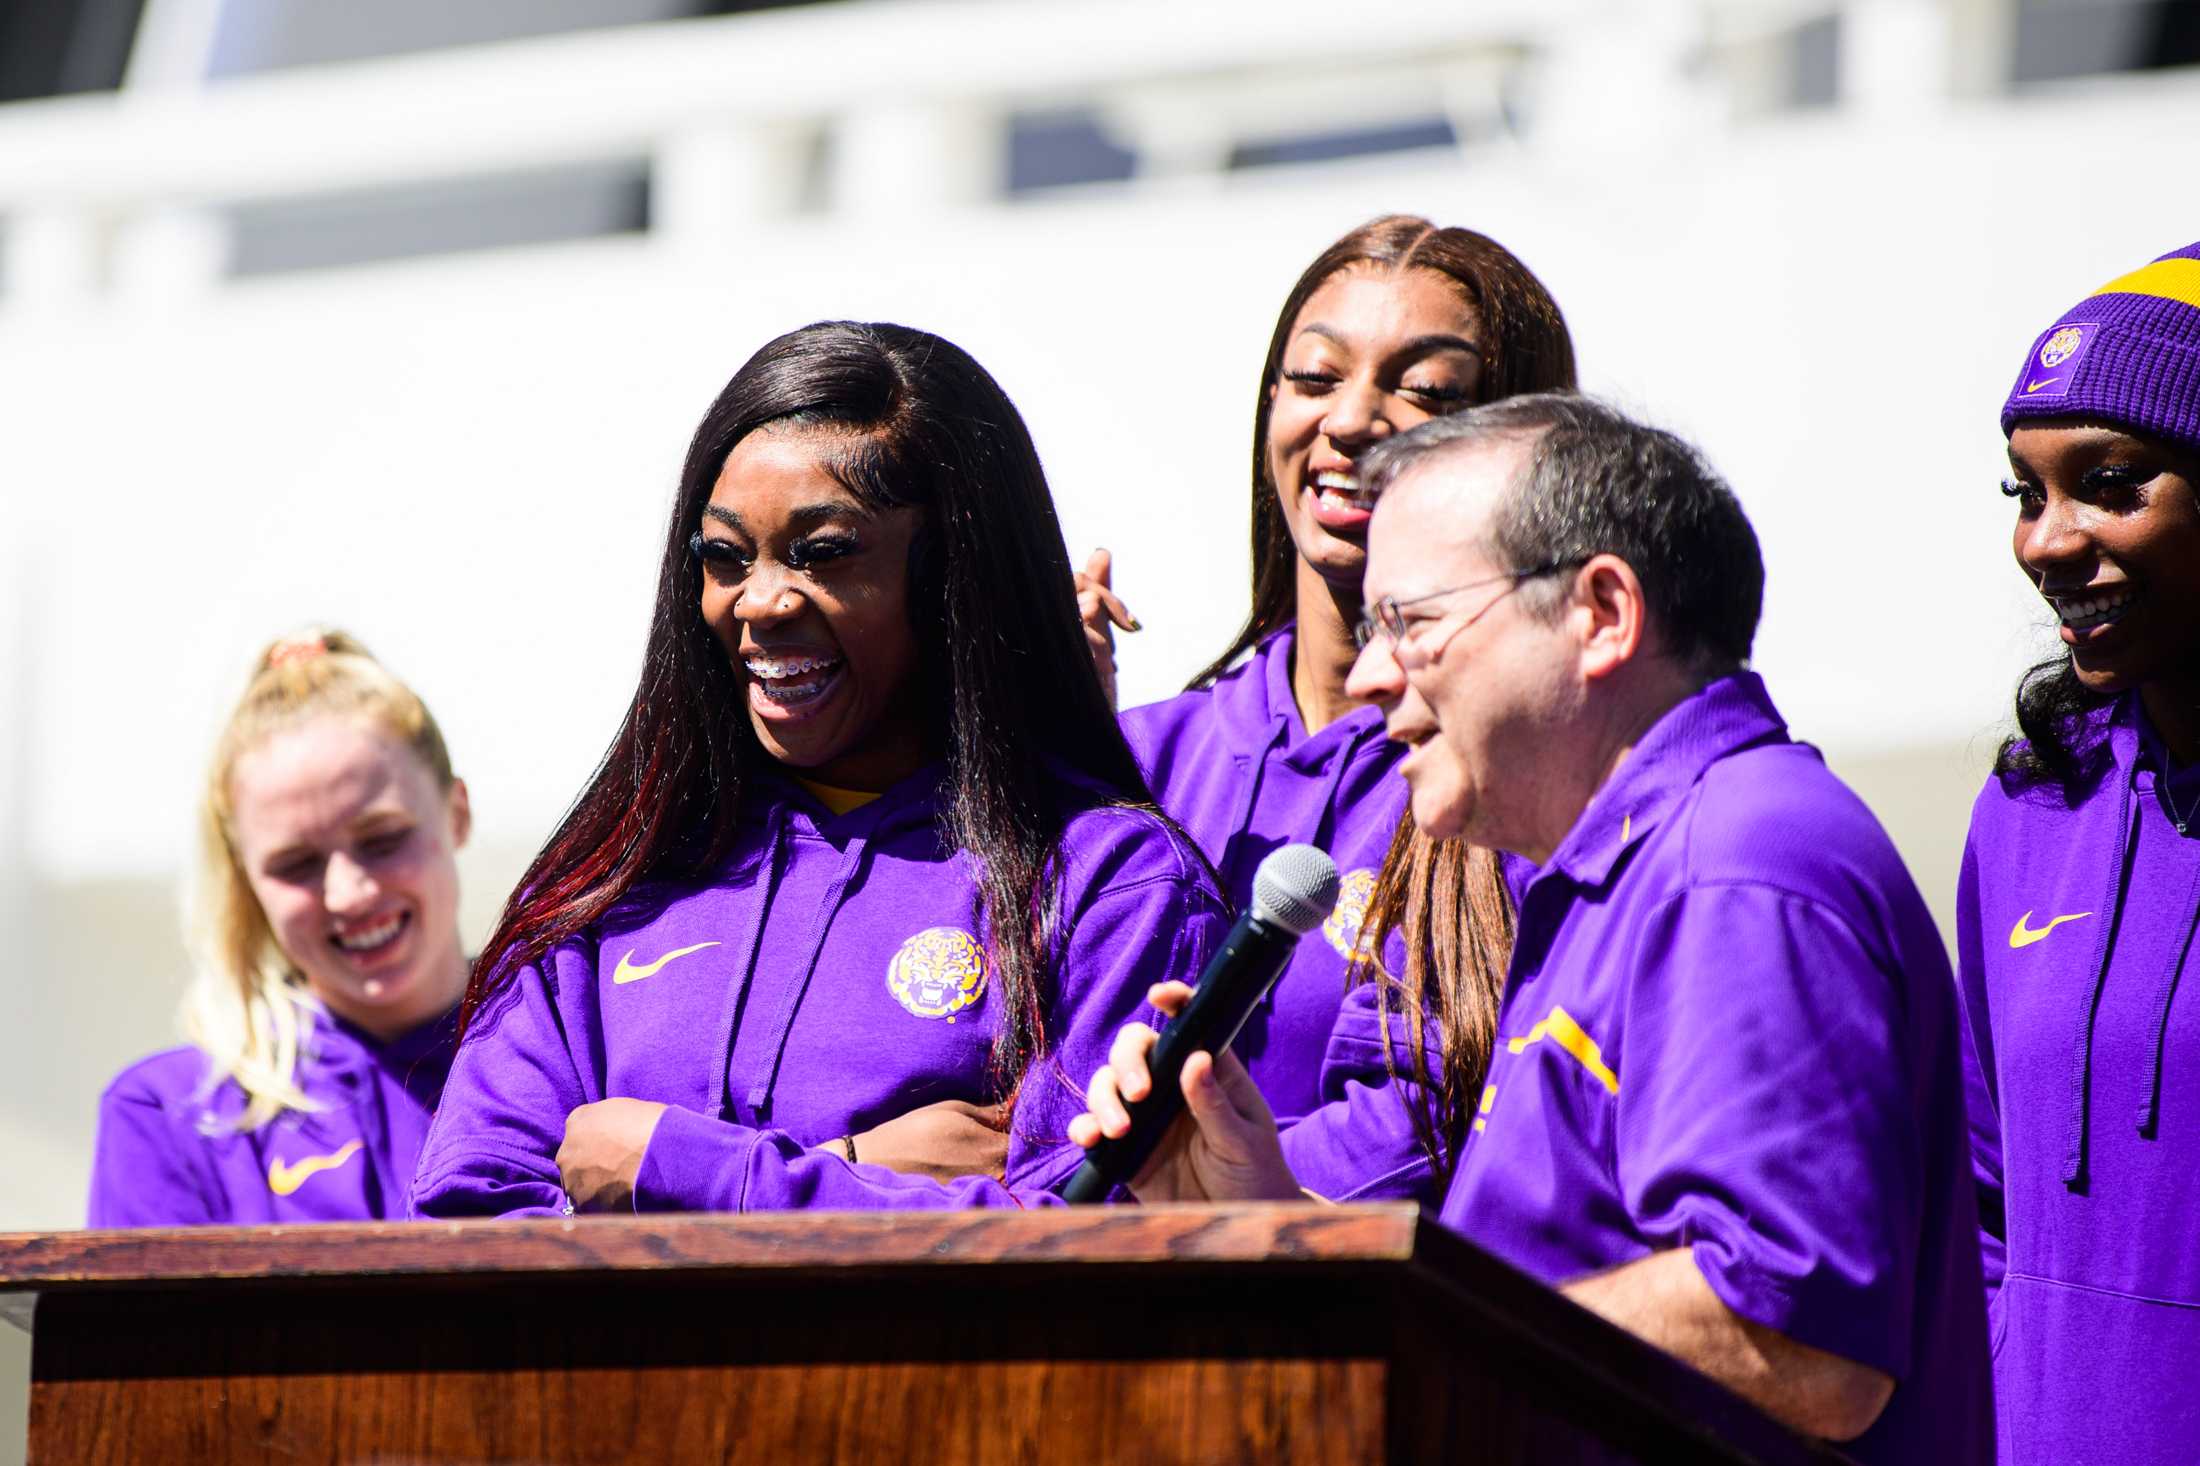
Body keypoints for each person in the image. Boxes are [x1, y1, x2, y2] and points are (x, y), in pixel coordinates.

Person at [1073, 395, 1991, 1458]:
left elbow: (1794, 1332)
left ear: (1600, 611)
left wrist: (1403, 1315)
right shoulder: (1626, 867)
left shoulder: (1732, 865)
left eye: (1407, 624)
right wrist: (1270, 1218)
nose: (1368, 676)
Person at [411, 321, 1226, 1218]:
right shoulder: (613, 881)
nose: (760, 601)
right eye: (724, 558)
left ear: (958, 573)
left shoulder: (1115, 885)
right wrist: (859, 1169)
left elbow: (1078, 1238)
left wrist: (681, 1169)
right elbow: (473, 1221)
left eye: (823, 552)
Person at [1104, 216, 1576, 1201]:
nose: (1353, 418)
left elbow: (1483, 1114)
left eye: (1426, 391)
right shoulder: (1138, 754)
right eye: (1315, 378)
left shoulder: (1529, 780)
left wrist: (1224, 1201)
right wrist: (1031, 746)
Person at [1958, 240, 2200, 1462]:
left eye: (2109, 482)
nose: (2047, 540)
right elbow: (1981, 1206)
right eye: (2024, 492)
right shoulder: (2028, 806)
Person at [88, 631, 471, 1225]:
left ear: (458, 815)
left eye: (383, 840)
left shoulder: (574, 1056)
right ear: (246, 880)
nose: (349, 893)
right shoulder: (170, 1114)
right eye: (297, 865)